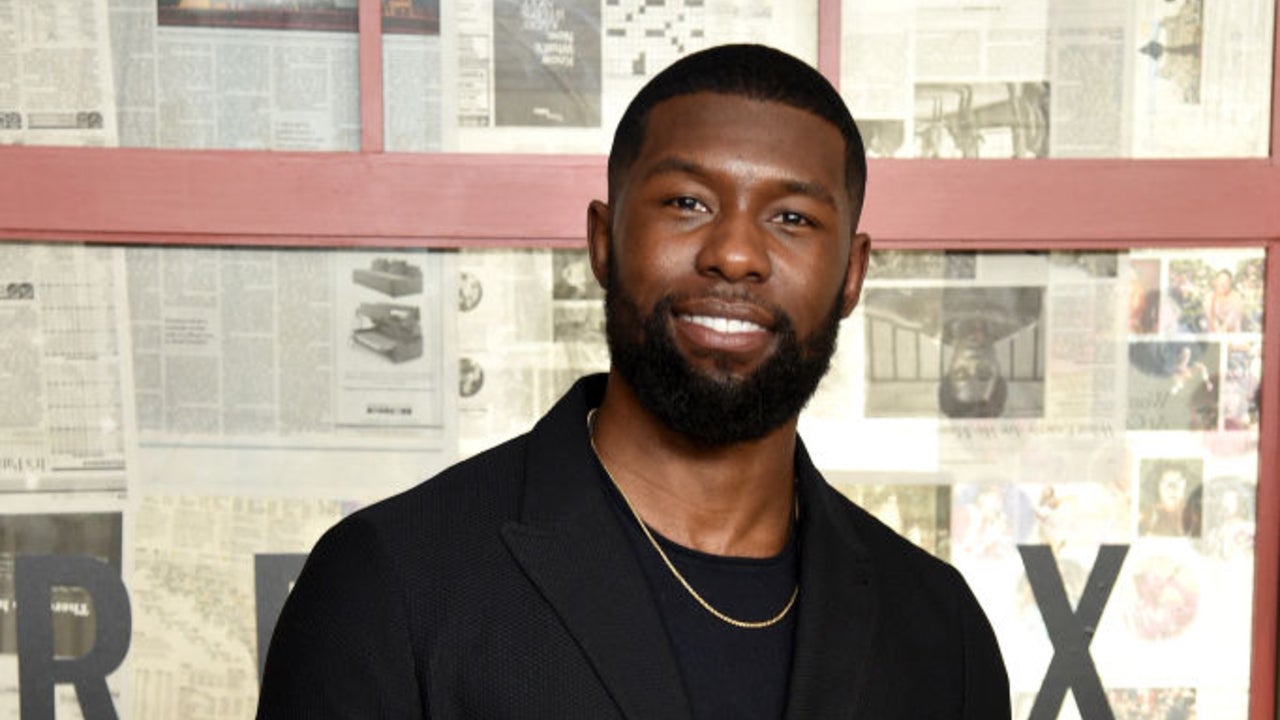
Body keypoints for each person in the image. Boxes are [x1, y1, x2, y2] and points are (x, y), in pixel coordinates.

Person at [257, 44, 1009, 718]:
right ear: (603, 242)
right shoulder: (390, 586)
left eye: (791, 217)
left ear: (852, 274)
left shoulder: (942, 631)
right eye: (687, 203)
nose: (735, 253)